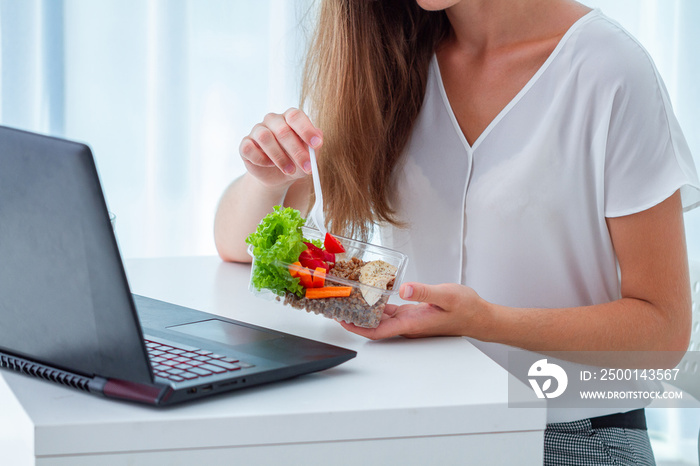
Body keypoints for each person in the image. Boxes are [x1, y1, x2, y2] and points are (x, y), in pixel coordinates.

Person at [214, 0, 700, 464]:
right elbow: (235, 244)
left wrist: (484, 320)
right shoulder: (391, 62)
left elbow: (664, 331)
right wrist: (268, 181)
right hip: (418, 422)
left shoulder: (611, 72)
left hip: (571, 436)